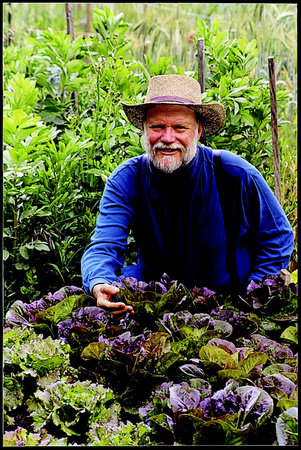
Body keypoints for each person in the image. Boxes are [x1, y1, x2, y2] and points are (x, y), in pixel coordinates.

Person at [81, 75, 294, 318]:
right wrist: (99, 282)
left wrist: (252, 294)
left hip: (229, 301)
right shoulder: (128, 179)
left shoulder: (233, 173)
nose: (168, 138)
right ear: (144, 129)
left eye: (180, 128)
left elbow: (278, 236)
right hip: (159, 303)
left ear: (198, 131)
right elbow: (104, 244)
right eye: (157, 127)